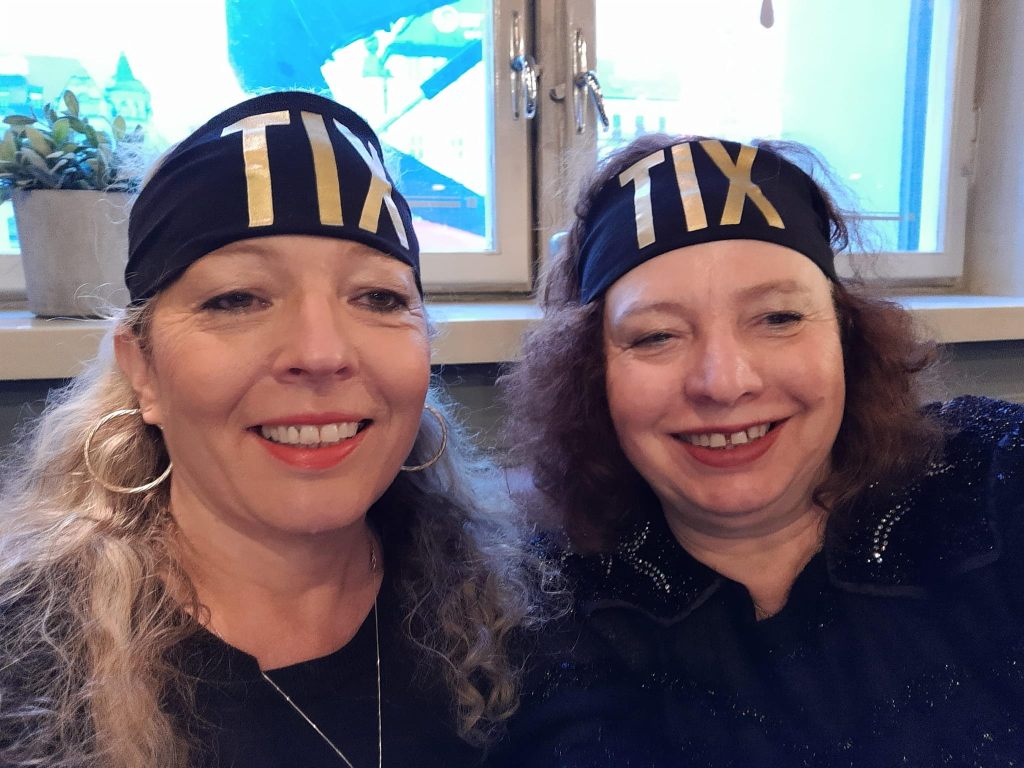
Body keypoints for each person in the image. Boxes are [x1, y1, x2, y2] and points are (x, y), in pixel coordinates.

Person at [0, 91, 551, 768]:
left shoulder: (511, 615)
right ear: (142, 370)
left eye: (378, 297)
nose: (321, 354)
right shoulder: (23, 667)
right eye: (237, 299)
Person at [496, 133, 1024, 766]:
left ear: (847, 336)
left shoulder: (994, 482)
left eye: (779, 318)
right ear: (592, 374)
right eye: (657, 335)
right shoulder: (542, 611)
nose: (724, 383)